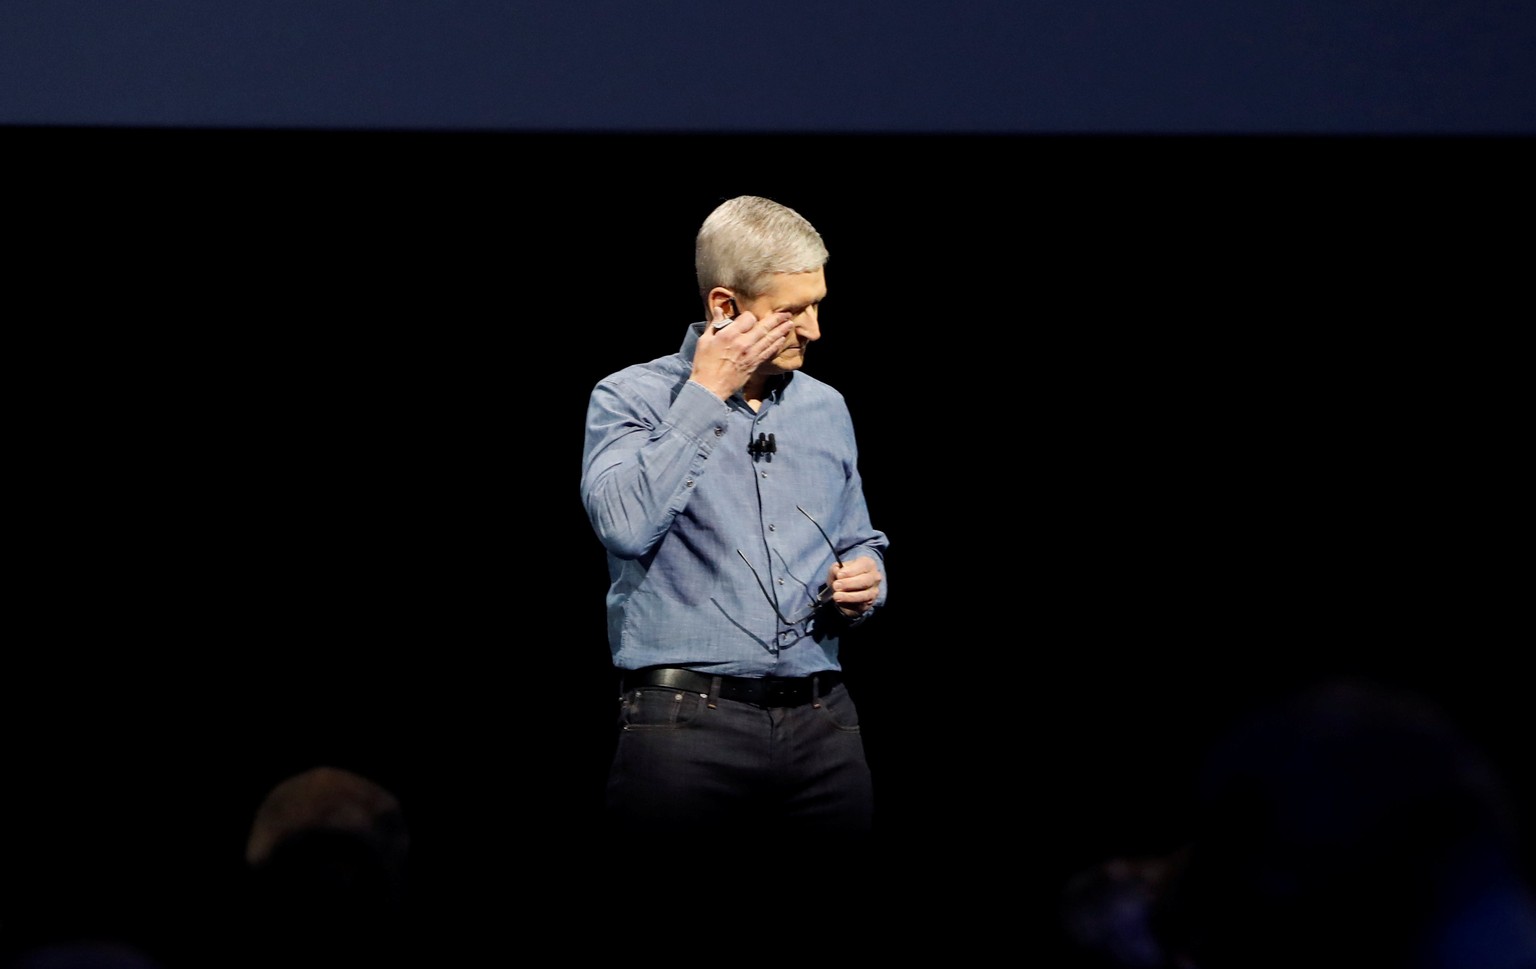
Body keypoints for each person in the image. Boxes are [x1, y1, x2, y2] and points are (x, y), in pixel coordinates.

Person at [579, 194, 889, 846]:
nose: (814, 329)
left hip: (823, 722)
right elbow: (625, 526)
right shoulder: (628, 398)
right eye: (791, 311)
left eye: (818, 304)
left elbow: (859, 535)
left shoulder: (826, 408)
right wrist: (705, 394)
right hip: (686, 727)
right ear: (725, 307)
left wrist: (870, 575)